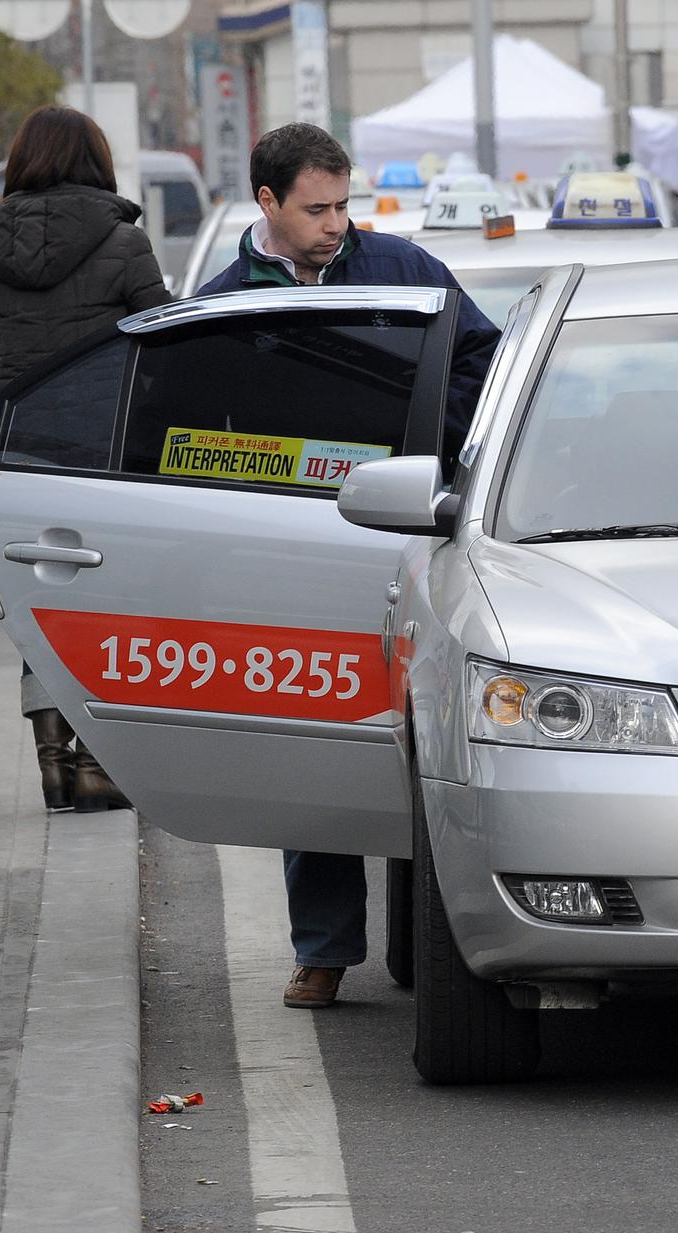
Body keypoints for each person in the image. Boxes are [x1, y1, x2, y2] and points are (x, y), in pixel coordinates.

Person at [199, 122, 500, 1010]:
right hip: (298, 549)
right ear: (268, 204)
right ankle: (324, 950)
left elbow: (483, 363)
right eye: (316, 209)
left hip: (415, 533)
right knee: (319, 750)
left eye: (344, 205)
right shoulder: (227, 300)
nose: (337, 224)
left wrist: (418, 429)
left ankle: (443, 935)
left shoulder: (403, 269)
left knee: (428, 745)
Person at [0, 106, 170, 813]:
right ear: (96, 163)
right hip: (104, 452)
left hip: (15, 450)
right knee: (106, 601)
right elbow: (162, 339)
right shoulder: (123, 240)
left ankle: (53, 766)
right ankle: (95, 764)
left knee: (38, 601)